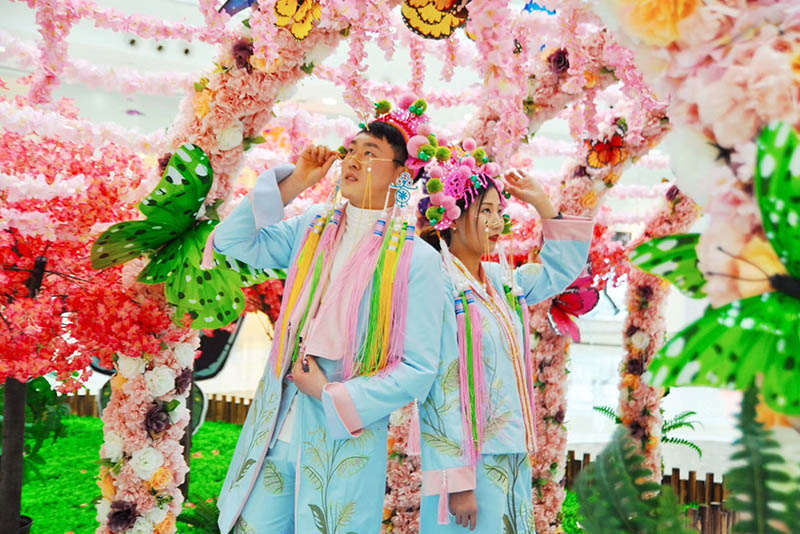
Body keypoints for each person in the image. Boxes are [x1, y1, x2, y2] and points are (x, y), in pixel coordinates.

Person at [210, 96, 446, 534]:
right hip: (275, 426)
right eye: (351, 149)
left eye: (370, 152)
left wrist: (329, 394)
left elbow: (418, 369)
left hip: (340, 442)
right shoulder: (313, 226)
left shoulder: (417, 261)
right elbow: (232, 241)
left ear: (401, 175)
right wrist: (296, 183)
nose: (352, 159)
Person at [416, 139, 594, 533]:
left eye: (500, 212)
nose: (498, 223)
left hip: (510, 453)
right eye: (487, 211)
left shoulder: (503, 282)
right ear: (453, 217)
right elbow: (440, 385)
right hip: (468, 462)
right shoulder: (440, 283)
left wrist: (542, 203)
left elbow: (560, 271)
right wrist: (459, 482)